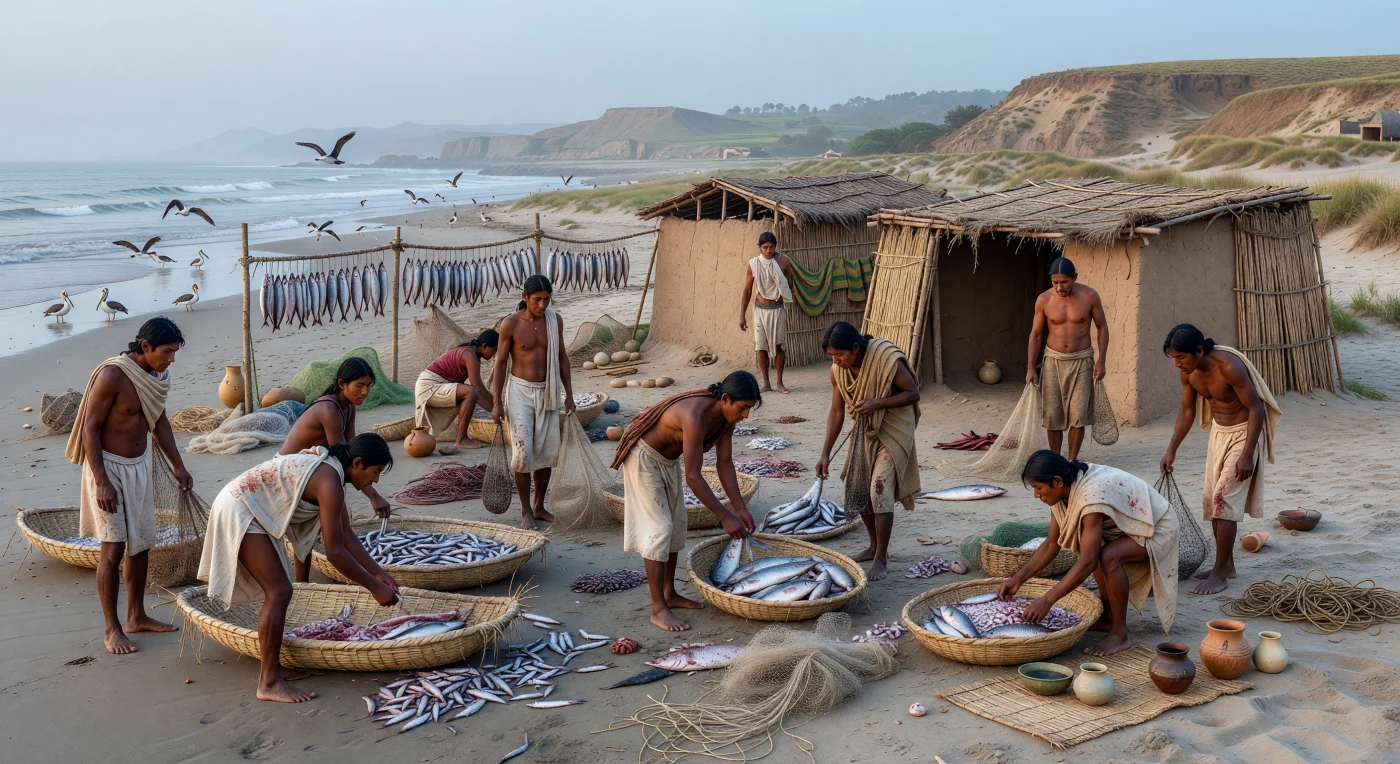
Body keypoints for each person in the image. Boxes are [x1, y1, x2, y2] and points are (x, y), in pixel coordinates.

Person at [199, 435, 400, 703]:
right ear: (357, 463)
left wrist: (378, 573)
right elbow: (335, 553)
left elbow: (347, 536)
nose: (375, 480)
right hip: (240, 509)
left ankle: (274, 668)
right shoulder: (330, 483)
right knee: (279, 592)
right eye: (375, 472)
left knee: (280, 591)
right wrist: (374, 588)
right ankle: (269, 682)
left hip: (246, 505)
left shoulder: (333, 475)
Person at [66, 317, 193, 655]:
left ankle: (136, 616)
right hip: (107, 468)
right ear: (146, 346)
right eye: (166, 352)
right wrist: (101, 482)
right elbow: (90, 429)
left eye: (175, 352)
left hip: (139, 467)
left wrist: (178, 465)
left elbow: (159, 421)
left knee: (141, 545)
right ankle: (112, 629)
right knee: (113, 548)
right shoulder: (113, 375)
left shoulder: (157, 376)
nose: (171, 359)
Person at [610, 371, 760, 631]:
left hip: (667, 461)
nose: (745, 415)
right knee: (659, 530)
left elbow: (725, 463)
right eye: (743, 407)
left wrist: (740, 508)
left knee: (677, 525)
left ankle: (669, 593)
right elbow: (693, 477)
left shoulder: (726, 420)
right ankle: (658, 608)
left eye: (749, 409)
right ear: (725, 399)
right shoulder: (694, 416)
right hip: (643, 457)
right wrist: (724, 516)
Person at [998, 450, 1179, 657]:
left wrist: (1047, 600)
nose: (1036, 495)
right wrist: (1018, 579)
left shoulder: (1090, 496)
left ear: (1057, 481)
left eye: (1038, 488)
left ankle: (1119, 633)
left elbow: (1088, 561)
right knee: (1099, 553)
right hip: (1130, 525)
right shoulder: (1062, 492)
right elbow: (1051, 544)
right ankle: (1108, 617)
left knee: (1108, 556)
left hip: (1157, 526)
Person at [1159, 324, 1280, 595]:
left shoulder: (1228, 367)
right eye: (1173, 358)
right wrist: (1171, 450)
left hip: (1244, 433)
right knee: (1213, 501)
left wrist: (1247, 454)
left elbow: (1256, 408)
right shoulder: (1188, 373)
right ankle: (1227, 566)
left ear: (1199, 351)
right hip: (1218, 435)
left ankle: (1219, 574)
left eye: (1181, 357)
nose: (1177, 363)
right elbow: (1187, 410)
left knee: (1223, 500)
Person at [815, 322, 920, 581]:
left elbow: (912, 393)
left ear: (855, 347)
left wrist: (878, 403)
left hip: (894, 428)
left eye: (840, 355)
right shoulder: (838, 372)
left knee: (878, 487)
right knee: (858, 486)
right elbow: (837, 412)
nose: (836, 361)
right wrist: (825, 454)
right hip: (865, 429)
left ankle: (881, 557)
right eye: (831, 356)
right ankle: (873, 546)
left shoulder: (886, 358)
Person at [280, 357, 391, 582]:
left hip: (315, 469)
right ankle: (303, 582)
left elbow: (353, 453)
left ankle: (302, 583)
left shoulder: (348, 408)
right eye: (359, 385)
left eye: (369, 386)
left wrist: (370, 490)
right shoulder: (329, 409)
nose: (365, 392)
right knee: (330, 528)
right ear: (342, 384)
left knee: (313, 530)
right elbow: (346, 460)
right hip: (290, 472)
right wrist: (372, 495)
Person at [491, 275, 574, 530]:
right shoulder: (511, 324)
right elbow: (500, 363)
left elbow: (561, 357)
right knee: (523, 454)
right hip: (520, 393)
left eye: (547, 300)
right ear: (524, 297)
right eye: (537, 299)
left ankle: (539, 506)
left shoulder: (555, 321)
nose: (542, 305)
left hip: (548, 391)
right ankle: (526, 511)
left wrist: (569, 394)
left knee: (547, 453)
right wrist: (496, 402)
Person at [1025, 257, 1109, 462]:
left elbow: (1102, 327)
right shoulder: (1044, 300)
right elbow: (1036, 334)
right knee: (1053, 416)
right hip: (1053, 361)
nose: (1059, 287)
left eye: (1064, 282)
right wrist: (1030, 367)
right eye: (1055, 282)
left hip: (1082, 361)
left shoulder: (1089, 296)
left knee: (1078, 415)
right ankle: (1056, 460)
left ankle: (1071, 461)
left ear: (1075, 278)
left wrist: (1101, 361)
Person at [413, 330, 499, 453]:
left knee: (471, 392)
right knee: (471, 392)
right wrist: (496, 410)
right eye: (495, 350)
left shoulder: (472, 354)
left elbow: (481, 390)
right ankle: (461, 439)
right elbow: (478, 389)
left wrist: (497, 406)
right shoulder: (469, 355)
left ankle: (462, 437)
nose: (495, 355)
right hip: (428, 387)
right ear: (485, 346)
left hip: (438, 385)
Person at [738, 231, 796, 394]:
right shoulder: (753, 264)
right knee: (761, 347)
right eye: (765, 247)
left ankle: (779, 382)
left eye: (771, 247)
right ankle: (766, 383)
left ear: (775, 246)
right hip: (760, 310)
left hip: (777, 310)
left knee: (778, 347)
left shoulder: (784, 261)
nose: (768, 250)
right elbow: (747, 290)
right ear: (759, 247)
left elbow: (790, 285)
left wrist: (781, 291)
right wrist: (742, 315)